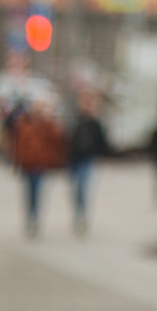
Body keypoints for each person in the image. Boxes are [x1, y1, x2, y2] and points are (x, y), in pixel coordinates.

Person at [9, 99, 68, 240]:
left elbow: (58, 141)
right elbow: (17, 144)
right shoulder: (23, 124)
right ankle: (30, 217)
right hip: (27, 164)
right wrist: (17, 161)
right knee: (28, 193)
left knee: (37, 192)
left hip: (40, 165)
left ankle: (34, 218)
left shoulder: (48, 126)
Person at [66, 94, 108, 237]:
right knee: (75, 190)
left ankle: (81, 215)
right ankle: (78, 213)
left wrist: (100, 156)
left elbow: (102, 142)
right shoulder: (75, 121)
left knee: (82, 187)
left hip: (88, 159)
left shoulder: (94, 124)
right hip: (74, 159)